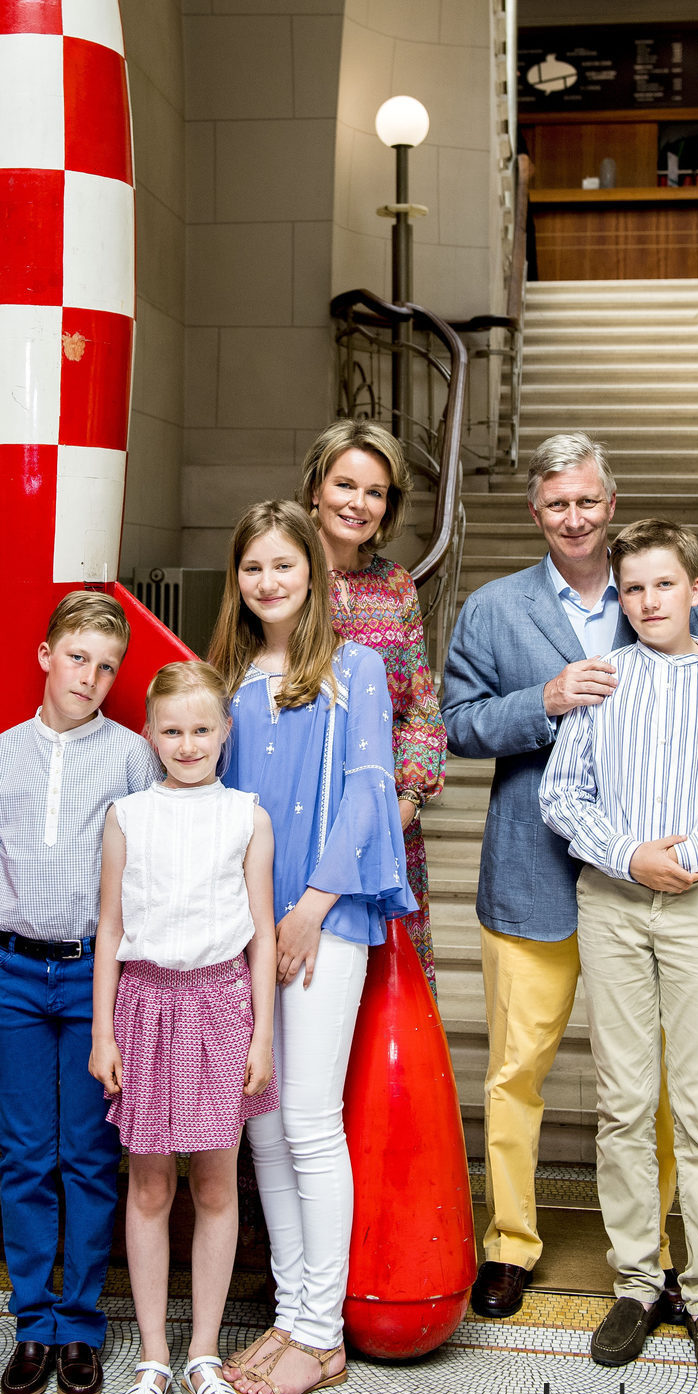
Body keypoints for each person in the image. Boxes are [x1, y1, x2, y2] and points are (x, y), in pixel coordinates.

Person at [440, 432, 698, 1320]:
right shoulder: (493, 608)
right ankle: (511, 1243)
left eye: (588, 500)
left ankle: (663, 1249)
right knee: (517, 1071)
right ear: (535, 512)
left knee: (660, 1083)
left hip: (653, 882)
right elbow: (456, 725)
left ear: (610, 503)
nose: (575, 516)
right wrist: (545, 702)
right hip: (532, 868)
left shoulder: (653, 594)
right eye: (557, 503)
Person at [540, 519, 698, 1385]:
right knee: (621, 1101)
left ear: (695, 590)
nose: (650, 601)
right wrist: (630, 856)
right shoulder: (601, 685)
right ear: (624, 596)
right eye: (635, 588)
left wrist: (689, 857)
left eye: (664, 585)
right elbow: (562, 794)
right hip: (612, 906)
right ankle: (636, 1281)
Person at [208, 500, 416, 1394]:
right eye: (253, 568)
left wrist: (313, 906)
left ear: (314, 575)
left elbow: (372, 795)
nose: (268, 582)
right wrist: (251, 924)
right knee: (260, 1123)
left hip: (324, 924)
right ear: (238, 580)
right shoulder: (225, 682)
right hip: (246, 930)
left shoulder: (355, 671)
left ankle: (321, 1330)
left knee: (307, 1123)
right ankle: (293, 1316)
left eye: (283, 566)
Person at [0, 591, 150, 1394]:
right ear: (44, 656)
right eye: (78, 658)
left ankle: (81, 1326)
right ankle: (33, 1324)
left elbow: (143, 880)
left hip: (94, 976)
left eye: (108, 666)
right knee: (28, 1156)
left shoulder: (134, 757)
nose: (92, 677)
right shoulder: (0, 757)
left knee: (90, 1156)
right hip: (18, 980)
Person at [89, 660, 278, 1394]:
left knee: (216, 1185)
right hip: (144, 1005)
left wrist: (263, 1032)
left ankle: (204, 1353)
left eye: (202, 729)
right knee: (149, 1187)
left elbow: (264, 935)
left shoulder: (248, 815)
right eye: (172, 730)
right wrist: (103, 1030)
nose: (188, 743)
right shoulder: (127, 815)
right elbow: (109, 929)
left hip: (221, 1005)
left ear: (226, 732)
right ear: (150, 734)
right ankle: (154, 1358)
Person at [298, 419, 446, 992]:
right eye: (344, 485)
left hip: (386, 819)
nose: (358, 504)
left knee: (386, 998)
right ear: (315, 488)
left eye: (375, 492)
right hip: (298, 816)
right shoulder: (281, 574)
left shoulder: (396, 586)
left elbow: (419, 711)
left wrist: (402, 803)